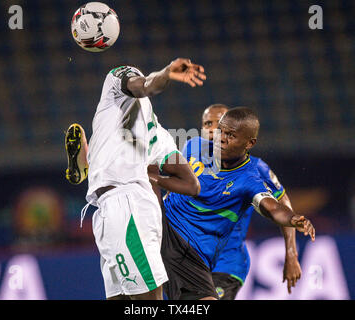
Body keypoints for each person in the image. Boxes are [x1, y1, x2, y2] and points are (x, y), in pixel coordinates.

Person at [65, 58, 206, 300]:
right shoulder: (160, 135)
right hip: (111, 208)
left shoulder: (115, 83)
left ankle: (91, 160)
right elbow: (192, 185)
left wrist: (165, 73)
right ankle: (92, 160)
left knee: (147, 299)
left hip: (126, 204)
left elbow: (146, 85)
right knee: (121, 298)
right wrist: (156, 179)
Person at [161, 107, 315, 300]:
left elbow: (276, 205)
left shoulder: (255, 172)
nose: (217, 134)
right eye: (211, 126)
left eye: (227, 131)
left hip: (222, 260)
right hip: (172, 240)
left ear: (248, 142)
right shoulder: (193, 147)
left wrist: (291, 249)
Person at [201, 104, 301, 299]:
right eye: (208, 124)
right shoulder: (191, 159)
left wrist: (291, 254)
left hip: (225, 264)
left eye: (220, 124)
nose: (214, 130)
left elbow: (284, 205)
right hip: (188, 261)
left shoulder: (255, 169)